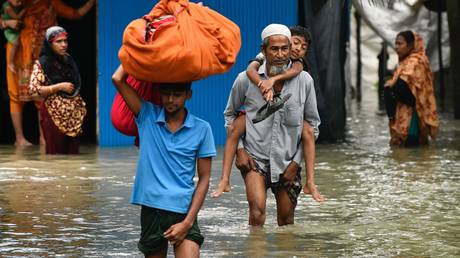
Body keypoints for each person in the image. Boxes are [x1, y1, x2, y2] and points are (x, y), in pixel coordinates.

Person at [112, 65, 216, 257]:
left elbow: (204, 179)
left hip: (184, 211)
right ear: (159, 94)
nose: (170, 99)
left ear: (188, 95)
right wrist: (137, 45)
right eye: (166, 94)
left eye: (177, 95)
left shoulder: (203, 129)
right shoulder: (146, 115)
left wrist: (187, 223)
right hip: (151, 210)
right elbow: (118, 79)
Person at [223, 24, 321, 227]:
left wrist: (296, 162)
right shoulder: (245, 79)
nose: (280, 54)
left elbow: (312, 126)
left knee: (286, 222)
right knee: (257, 213)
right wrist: (240, 150)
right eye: (274, 49)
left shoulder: (304, 81)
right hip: (255, 159)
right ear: (263, 50)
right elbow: (230, 115)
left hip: (288, 160)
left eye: (284, 49)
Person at [0, 0, 95, 147]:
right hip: (19, 53)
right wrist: (8, 23)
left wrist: (91, 3)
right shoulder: (20, 3)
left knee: (43, 96)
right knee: (16, 95)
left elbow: (75, 14)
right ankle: (19, 138)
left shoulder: (51, 3)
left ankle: (44, 137)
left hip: (41, 53)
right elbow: (3, 20)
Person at [27, 26, 86, 154]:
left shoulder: (68, 59)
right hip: (53, 114)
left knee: (73, 159)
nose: (63, 45)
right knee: (55, 157)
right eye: (58, 42)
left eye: (65, 41)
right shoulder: (42, 63)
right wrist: (58, 87)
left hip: (73, 116)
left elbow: (76, 83)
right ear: (49, 43)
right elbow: (33, 89)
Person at [384, 30, 439, 147]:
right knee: (408, 156)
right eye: (396, 43)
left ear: (410, 45)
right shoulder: (406, 62)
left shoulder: (415, 62)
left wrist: (391, 86)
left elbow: (404, 87)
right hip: (403, 114)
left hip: (412, 117)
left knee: (410, 152)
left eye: (400, 44)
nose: (396, 47)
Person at [1, 0, 26, 73]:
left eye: (21, 1)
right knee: (16, 43)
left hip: (17, 29)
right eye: (18, 2)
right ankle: (10, 62)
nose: (20, 3)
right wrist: (24, 10)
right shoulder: (7, 7)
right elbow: (17, 17)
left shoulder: (16, 4)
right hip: (10, 30)